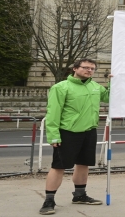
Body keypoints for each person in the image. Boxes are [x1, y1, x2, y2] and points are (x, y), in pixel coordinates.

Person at [39, 59, 111, 215]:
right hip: (68, 132)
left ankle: (80, 195)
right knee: (59, 166)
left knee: (83, 164)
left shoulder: (95, 87)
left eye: (92, 68)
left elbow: (110, 97)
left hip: (89, 131)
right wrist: (53, 136)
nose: (89, 70)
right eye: (85, 68)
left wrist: (113, 82)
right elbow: (53, 113)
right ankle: (49, 200)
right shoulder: (61, 87)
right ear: (75, 68)